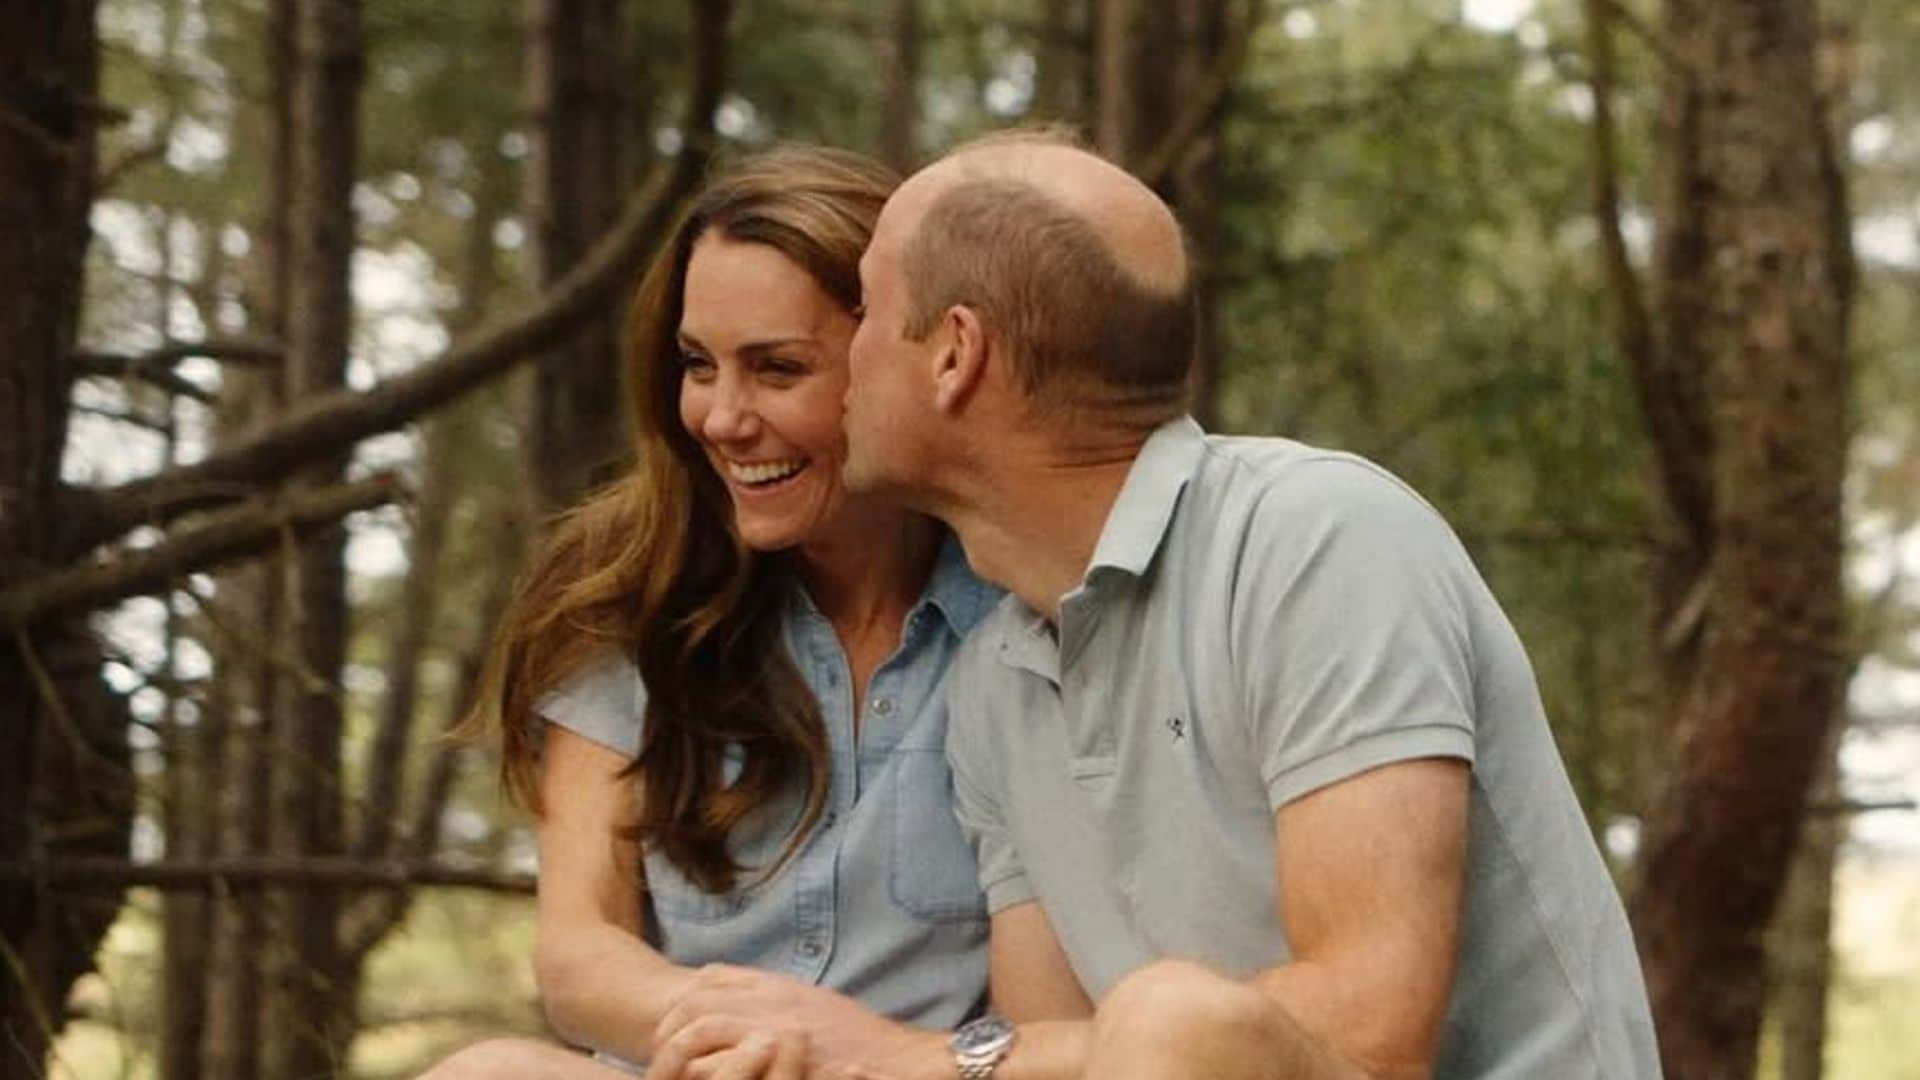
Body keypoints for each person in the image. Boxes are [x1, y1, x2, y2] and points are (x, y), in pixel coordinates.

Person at [750, 128, 1662, 1077]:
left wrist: (920, 1059)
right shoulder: (998, 681)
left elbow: (1366, 1033)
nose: (841, 353)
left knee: (1170, 1020)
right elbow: (1045, 1054)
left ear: (953, 355)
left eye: (865, 310)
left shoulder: (1318, 540)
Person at [420, 145, 1004, 1079]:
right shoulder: (627, 588)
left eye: (777, 370)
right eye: (698, 365)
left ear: (904, 361)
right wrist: (760, 1044)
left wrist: (881, 1059)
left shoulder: (1022, 611)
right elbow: (578, 953)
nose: (723, 419)